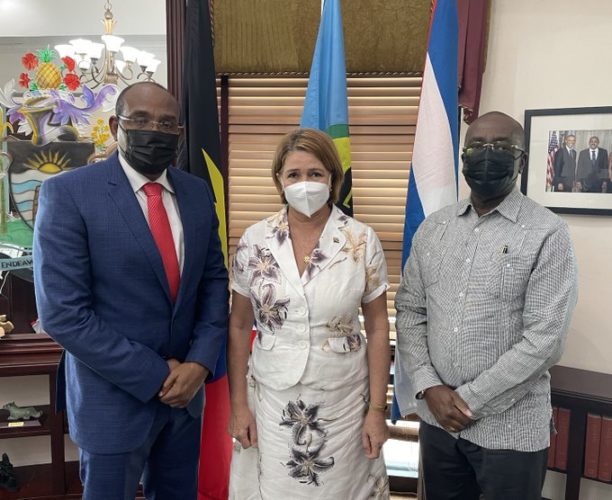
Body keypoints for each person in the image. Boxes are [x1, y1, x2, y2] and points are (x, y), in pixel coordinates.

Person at [33, 82, 229, 500]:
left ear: (179, 133)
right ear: (114, 126)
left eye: (166, 124)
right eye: (140, 120)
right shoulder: (68, 193)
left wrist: (199, 363)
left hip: (186, 398)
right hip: (112, 399)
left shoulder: (196, 192)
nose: (153, 131)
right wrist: (157, 374)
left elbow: (214, 281)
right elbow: (63, 314)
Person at [395, 111, 578, 500]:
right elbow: (410, 311)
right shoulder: (434, 228)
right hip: (439, 423)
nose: (487, 154)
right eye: (477, 146)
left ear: (521, 160)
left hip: (510, 431)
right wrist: (429, 386)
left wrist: (467, 401)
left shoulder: (548, 232)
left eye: (501, 146)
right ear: (463, 158)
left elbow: (545, 340)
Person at [227, 128, 391, 499]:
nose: (305, 183)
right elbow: (238, 326)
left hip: (345, 401)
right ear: (279, 180)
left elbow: (379, 328)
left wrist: (377, 409)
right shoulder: (254, 240)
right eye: (294, 174)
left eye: (315, 173)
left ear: (332, 178)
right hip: (272, 399)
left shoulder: (362, 239)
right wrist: (238, 406)